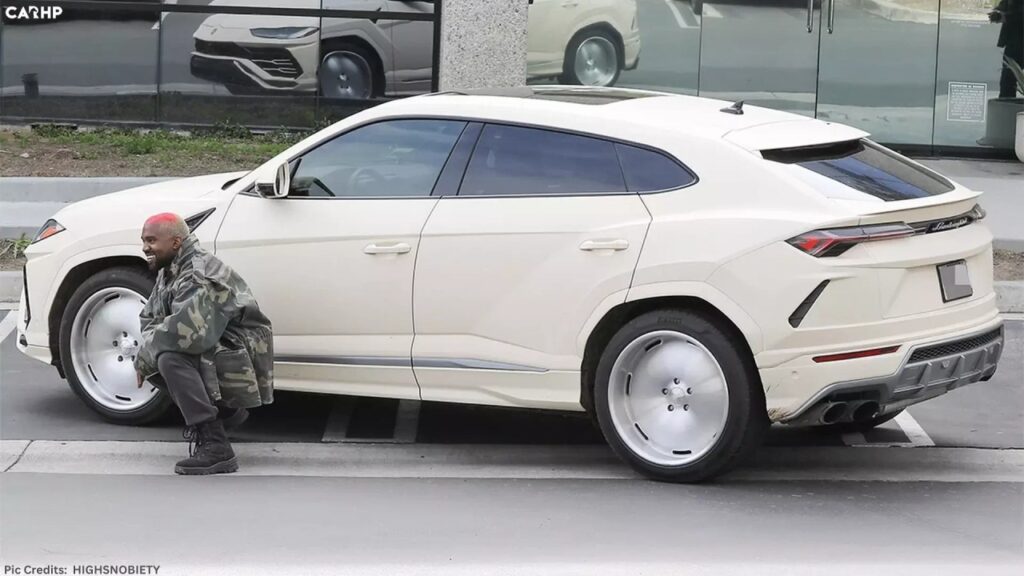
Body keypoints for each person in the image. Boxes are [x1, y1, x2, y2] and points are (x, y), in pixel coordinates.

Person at [134, 213, 274, 475]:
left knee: (169, 358)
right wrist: (150, 348)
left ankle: (216, 445)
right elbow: (149, 317)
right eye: (143, 241)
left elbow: (185, 334)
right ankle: (225, 414)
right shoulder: (172, 268)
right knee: (158, 355)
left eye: (151, 240)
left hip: (240, 348)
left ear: (176, 242)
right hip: (213, 340)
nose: (145, 248)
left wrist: (146, 353)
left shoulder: (198, 274)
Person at [992, 0, 1023, 98]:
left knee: (1008, 80)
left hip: (1016, 42)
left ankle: (1006, 108)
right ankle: (1006, 107)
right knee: (1007, 80)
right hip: (1013, 42)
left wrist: (1004, 17)